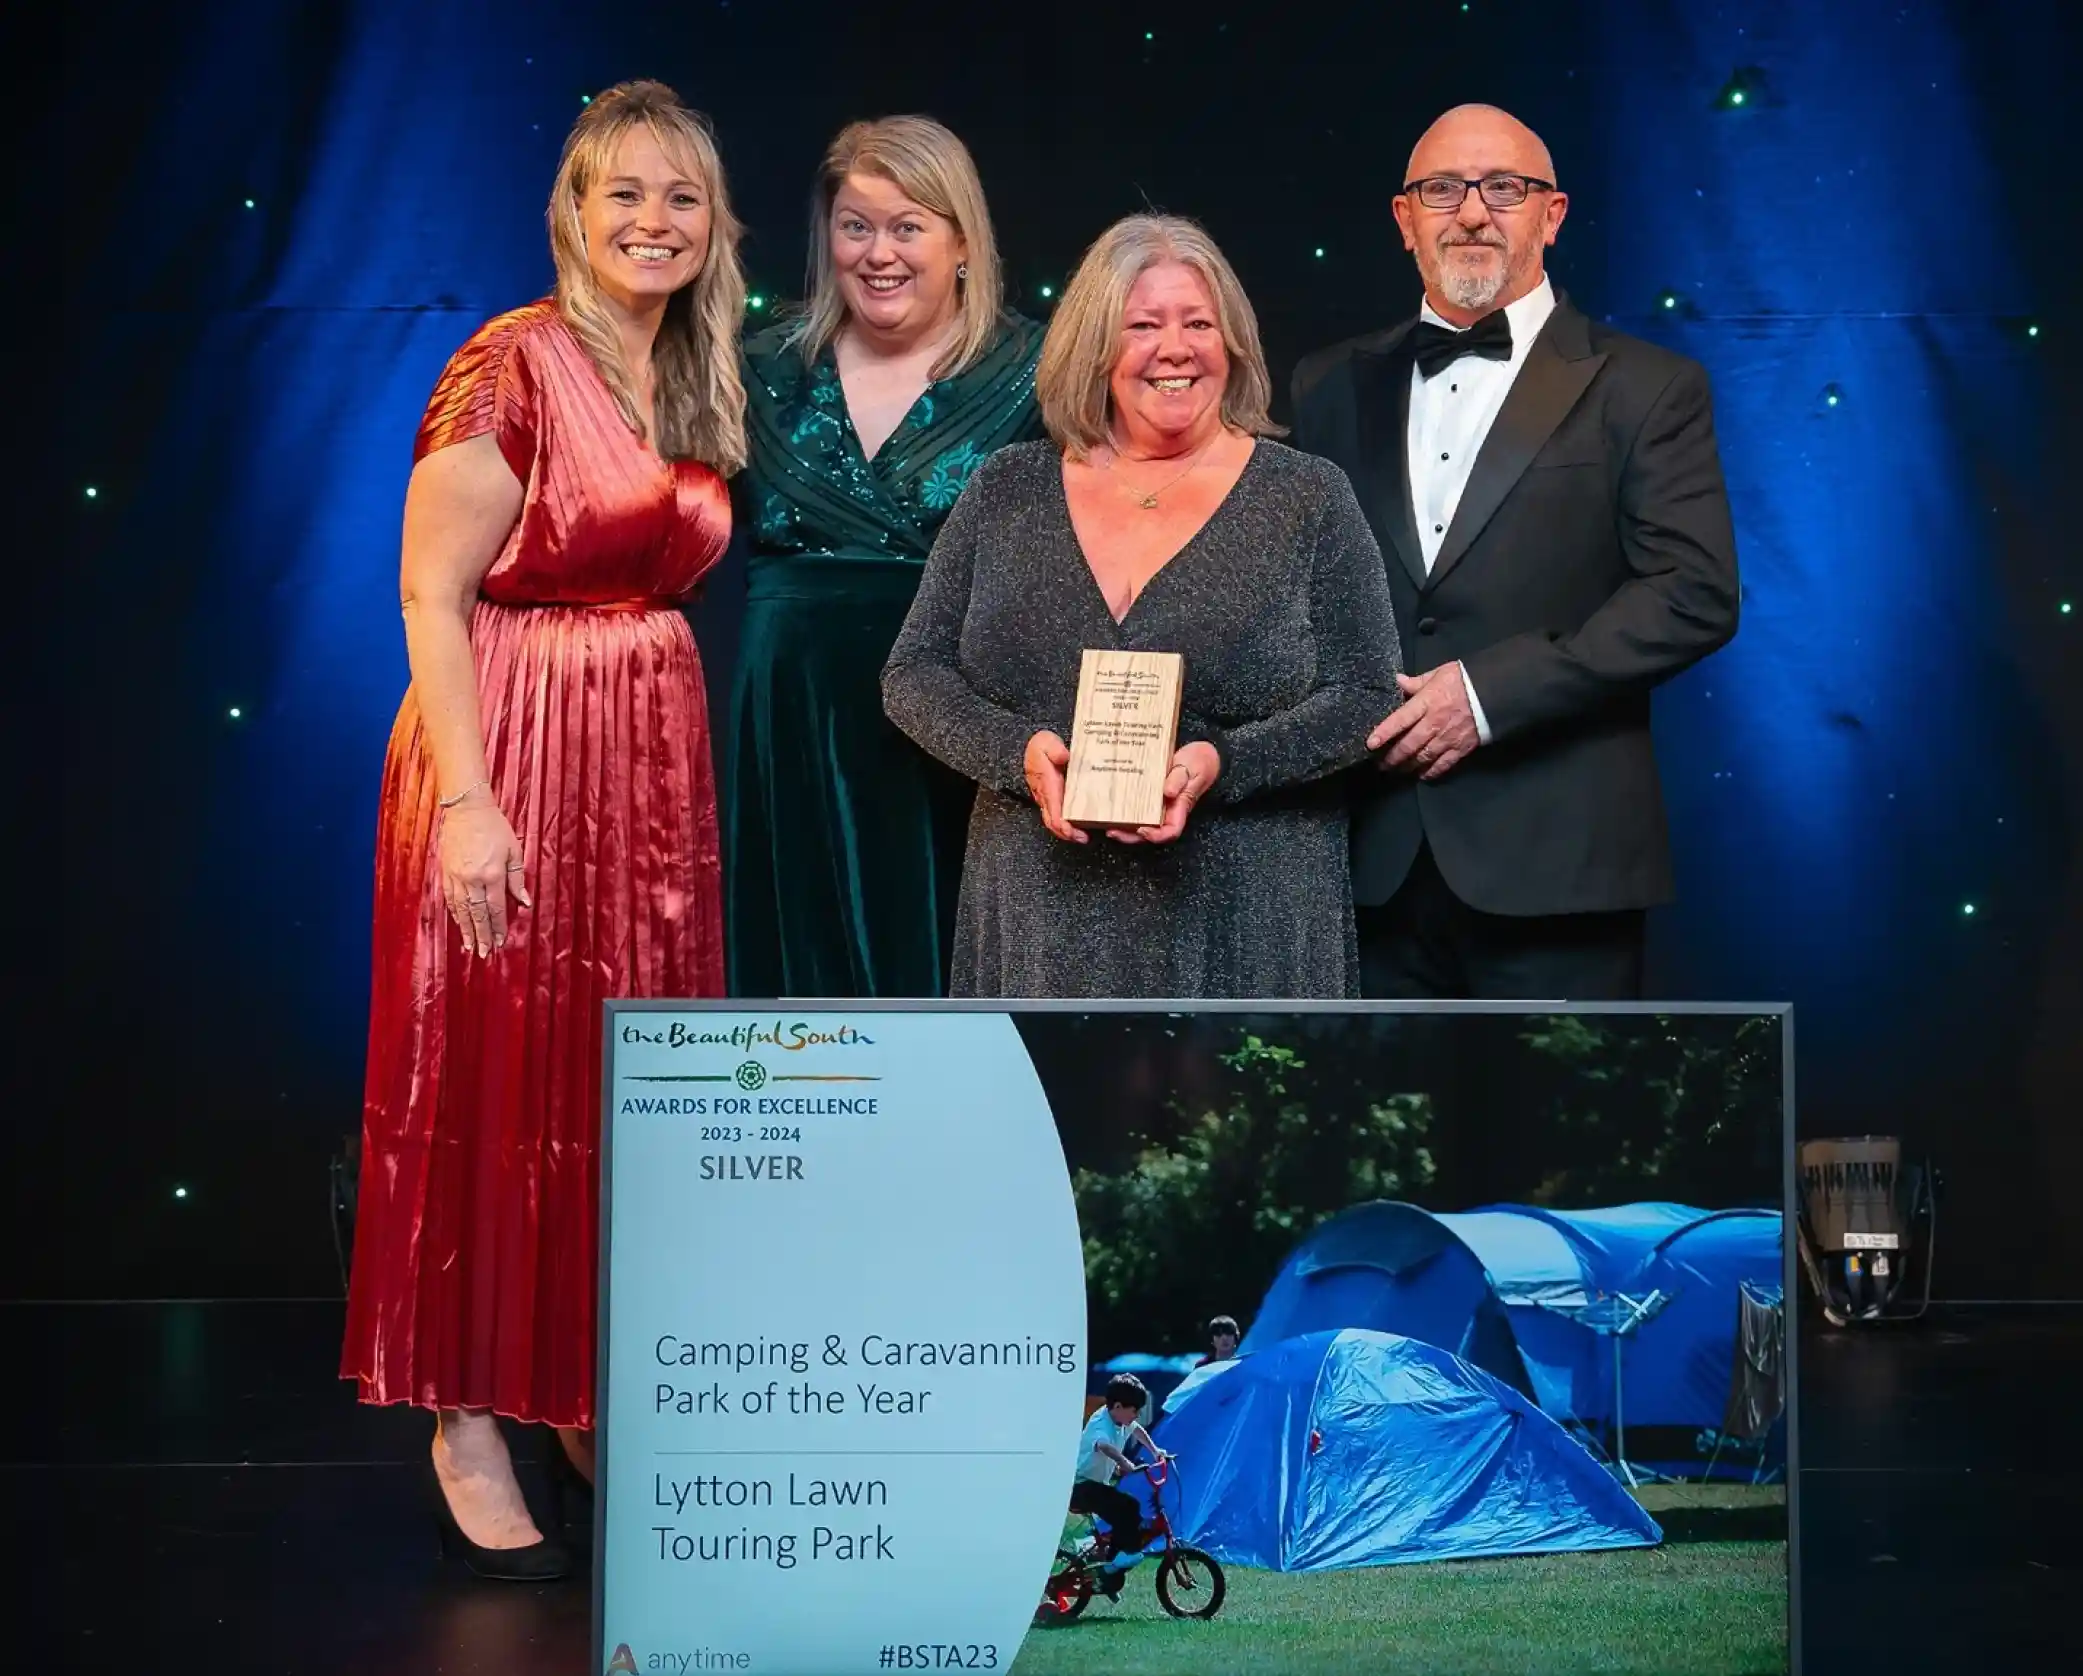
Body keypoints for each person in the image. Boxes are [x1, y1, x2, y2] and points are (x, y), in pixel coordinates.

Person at [340, 81, 748, 1580]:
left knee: (616, 1075)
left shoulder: (696, 372)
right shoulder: (512, 359)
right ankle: (463, 1407)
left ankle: (590, 1389)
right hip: (505, 737)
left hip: (643, 761)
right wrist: (466, 802)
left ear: (715, 229)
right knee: (481, 1068)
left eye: (682, 198)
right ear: (573, 211)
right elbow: (429, 594)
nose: (654, 222)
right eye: (623, 193)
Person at [881, 215, 1402, 998]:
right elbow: (912, 674)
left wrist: (1222, 765)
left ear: (1232, 343)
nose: (1176, 349)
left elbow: (1365, 694)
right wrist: (1017, 755)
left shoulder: (1306, 496)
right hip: (1038, 919)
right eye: (1143, 325)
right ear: (1095, 346)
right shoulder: (1007, 488)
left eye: (1200, 323)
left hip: (1248, 921)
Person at [1290, 104, 1740, 1000]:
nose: (1471, 211)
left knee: (1558, 1140)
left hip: (1560, 864)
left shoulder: (1648, 387)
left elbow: (1693, 591)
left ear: (1553, 214)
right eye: (1442, 189)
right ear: (1403, 218)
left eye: (1504, 187)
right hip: (1363, 865)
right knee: (1375, 1139)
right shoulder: (1325, 384)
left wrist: (1488, 695)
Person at [722, 116, 1046, 999]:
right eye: (855, 225)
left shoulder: (1037, 372)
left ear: (964, 242)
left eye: (908, 226)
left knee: (941, 968)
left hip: (952, 726)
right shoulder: (757, 362)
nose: (879, 252)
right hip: (789, 722)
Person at [1073, 1373, 1159, 1598]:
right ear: (1118, 1406)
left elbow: (1138, 1430)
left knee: (1126, 1509)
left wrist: (1155, 1451)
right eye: (1134, 1410)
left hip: (1095, 1484)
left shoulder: (1122, 1420)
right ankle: (1114, 1563)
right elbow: (1104, 1446)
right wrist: (1125, 1463)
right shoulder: (1100, 1423)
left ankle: (1108, 1572)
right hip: (1081, 1487)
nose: (1137, 1415)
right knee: (1127, 1507)